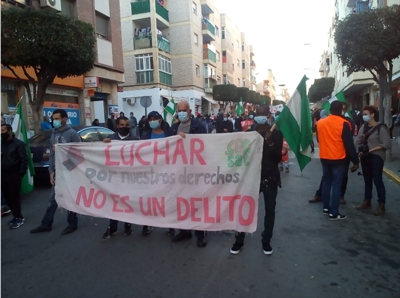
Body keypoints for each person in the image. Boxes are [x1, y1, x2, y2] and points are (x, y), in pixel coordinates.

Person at [230, 105, 283, 255]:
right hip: (251, 177)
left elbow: (278, 158)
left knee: (270, 210)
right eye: (258, 114)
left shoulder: (276, 134)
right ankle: (239, 240)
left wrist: (271, 142)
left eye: (263, 114)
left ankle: (266, 241)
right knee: (244, 208)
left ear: (268, 115)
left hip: (270, 177)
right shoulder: (249, 133)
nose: (260, 116)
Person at [100, 116, 153, 238]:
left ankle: (127, 225)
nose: (124, 127)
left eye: (126, 125)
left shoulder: (135, 140)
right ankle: (112, 227)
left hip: (130, 177)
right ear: (117, 126)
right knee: (114, 202)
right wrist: (103, 144)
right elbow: (101, 154)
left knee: (128, 201)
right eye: (122, 125)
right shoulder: (111, 139)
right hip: (114, 178)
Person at [30, 109, 82, 235]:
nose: (55, 121)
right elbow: (52, 154)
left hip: (69, 171)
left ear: (64, 119)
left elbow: (78, 154)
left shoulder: (72, 134)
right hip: (58, 171)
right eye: (54, 119)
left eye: (57, 118)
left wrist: (68, 168)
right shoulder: (53, 134)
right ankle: (46, 224)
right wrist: (51, 170)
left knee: (69, 197)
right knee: (53, 198)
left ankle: (72, 223)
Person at [167, 101, 208, 247]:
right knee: (182, 203)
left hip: (195, 171)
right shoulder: (173, 129)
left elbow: (206, 146)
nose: (182, 113)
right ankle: (184, 231)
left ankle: (200, 234)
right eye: (179, 110)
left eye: (184, 110)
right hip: (179, 172)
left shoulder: (199, 127)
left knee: (197, 203)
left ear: (189, 111)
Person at [317, 101, 359, 220]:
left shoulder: (320, 123)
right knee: (336, 185)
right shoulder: (344, 123)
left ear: (330, 109)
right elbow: (349, 144)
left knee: (326, 182)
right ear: (341, 109)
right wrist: (355, 160)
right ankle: (334, 212)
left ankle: (326, 208)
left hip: (324, 157)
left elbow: (320, 140)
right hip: (338, 158)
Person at [141, 111, 174, 236]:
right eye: (150, 119)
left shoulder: (169, 134)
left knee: (167, 199)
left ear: (160, 120)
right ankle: (147, 224)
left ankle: (170, 225)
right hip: (150, 172)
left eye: (155, 119)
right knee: (149, 199)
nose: (152, 121)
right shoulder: (145, 135)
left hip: (167, 171)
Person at [354, 106, 391, 216]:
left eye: (366, 114)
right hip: (365, 157)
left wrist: (371, 150)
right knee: (367, 180)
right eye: (363, 114)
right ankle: (367, 201)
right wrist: (359, 151)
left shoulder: (381, 128)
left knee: (377, 180)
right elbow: (357, 141)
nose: (364, 116)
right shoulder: (363, 127)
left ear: (372, 114)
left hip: (376, 156)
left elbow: (386, 144)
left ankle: (381, 204)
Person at [1, 123, 28, 229]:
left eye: (3, 130)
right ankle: (14, 215)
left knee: (14, 197)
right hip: (3, 174)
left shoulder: (19, 144)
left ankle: (18, 217)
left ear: (9, 130)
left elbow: (24, 160)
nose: (1, 133)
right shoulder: (2, 144)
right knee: (7, 197)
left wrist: (21, 174)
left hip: (14, 174)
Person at [309, 109, 328, 203]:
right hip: (334, 155)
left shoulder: (320, 124)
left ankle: (321, 197)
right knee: (332, 178)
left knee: (327, 177)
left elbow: (319, 139)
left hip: (327, 155)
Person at [340, 102, 355, 204]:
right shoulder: (329, 121)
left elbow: (349, 141)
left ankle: (341, 196)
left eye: (344, 109)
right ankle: (320, 194)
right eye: (341, 109)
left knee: (344, 175)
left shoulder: (349, 122)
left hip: (345, 154)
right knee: (327, 177)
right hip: (331, 154)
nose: (343, 111)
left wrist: (354, 159)